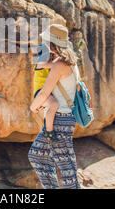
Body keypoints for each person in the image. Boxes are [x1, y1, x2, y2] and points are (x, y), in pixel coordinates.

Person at [28, 23, 82, 189]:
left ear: (52, 43)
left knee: (68, 171)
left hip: (60, 121)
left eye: (46, 40)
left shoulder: (59, 65)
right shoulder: (67, 63)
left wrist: (33, 107)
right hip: (62, 120)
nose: (43, 42)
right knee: (37, 156)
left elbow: (44, 93)